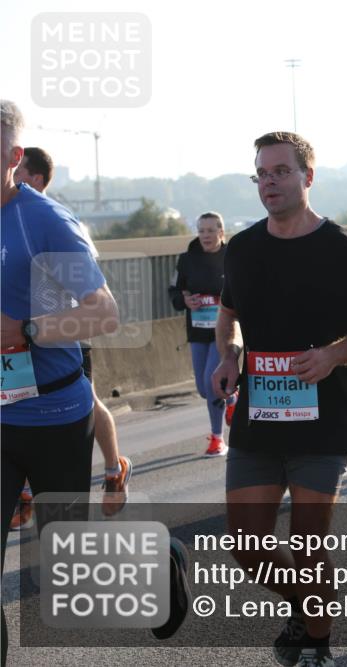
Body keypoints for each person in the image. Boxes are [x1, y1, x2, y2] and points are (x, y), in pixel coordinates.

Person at [212, 131, 347, 667]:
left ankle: (318, 643)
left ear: (307, 177)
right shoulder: (243, 248)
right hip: (258, 417)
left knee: (307, 545)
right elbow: (228, 315)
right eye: (262, 174)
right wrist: (229, 356)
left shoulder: (339, 246)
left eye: (281, 172)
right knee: (247, 547)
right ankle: (311, 609)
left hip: (323, 419)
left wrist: (333, 355)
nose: (269, 183)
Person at [1, 99, 130, 662]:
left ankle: (163, 570)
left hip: (54, 415)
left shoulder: (46, 222)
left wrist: (25, 329)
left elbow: (104, 314)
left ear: (14, 157)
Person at [11, 146, 132, 527]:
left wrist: (29, 327)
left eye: (21, 173)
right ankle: (24, 491)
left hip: (65, 340)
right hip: (13, 383)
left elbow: (99, 304)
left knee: (90, 400)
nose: (17, 179)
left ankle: (113, 468)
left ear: (32, 175)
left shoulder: (55, 218)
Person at [169, 212, 235, 457]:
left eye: (210, 230)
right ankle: (232, 398)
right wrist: (185, 300)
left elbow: (245, 288)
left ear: (221, 232)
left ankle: (218, 438)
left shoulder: (232, 257)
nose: (205, 236)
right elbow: (174, 291)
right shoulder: (187, 259)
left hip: (225, 331)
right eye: (201, 231)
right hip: (197, 330)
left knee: (211, 381)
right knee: (203, 389)